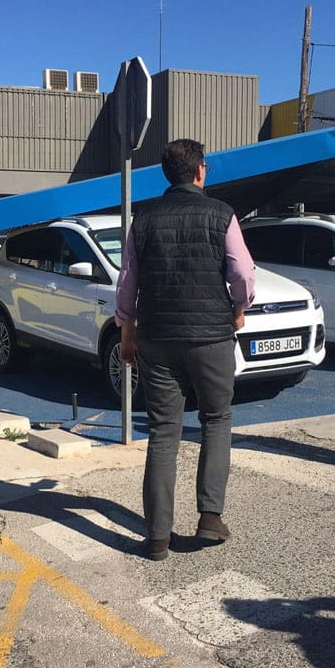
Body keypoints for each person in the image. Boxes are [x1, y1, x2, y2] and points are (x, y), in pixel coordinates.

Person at [116, 139, 256, 561]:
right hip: (211, 335)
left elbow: (128, 280)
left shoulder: (143, 217)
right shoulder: (222, 214)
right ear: (200, 171)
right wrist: (238, 309)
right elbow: (243, 273)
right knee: (216, 418)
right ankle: (209, 517)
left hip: (157, 336)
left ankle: (157, 537)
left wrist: (127, 331)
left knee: (163, 432)